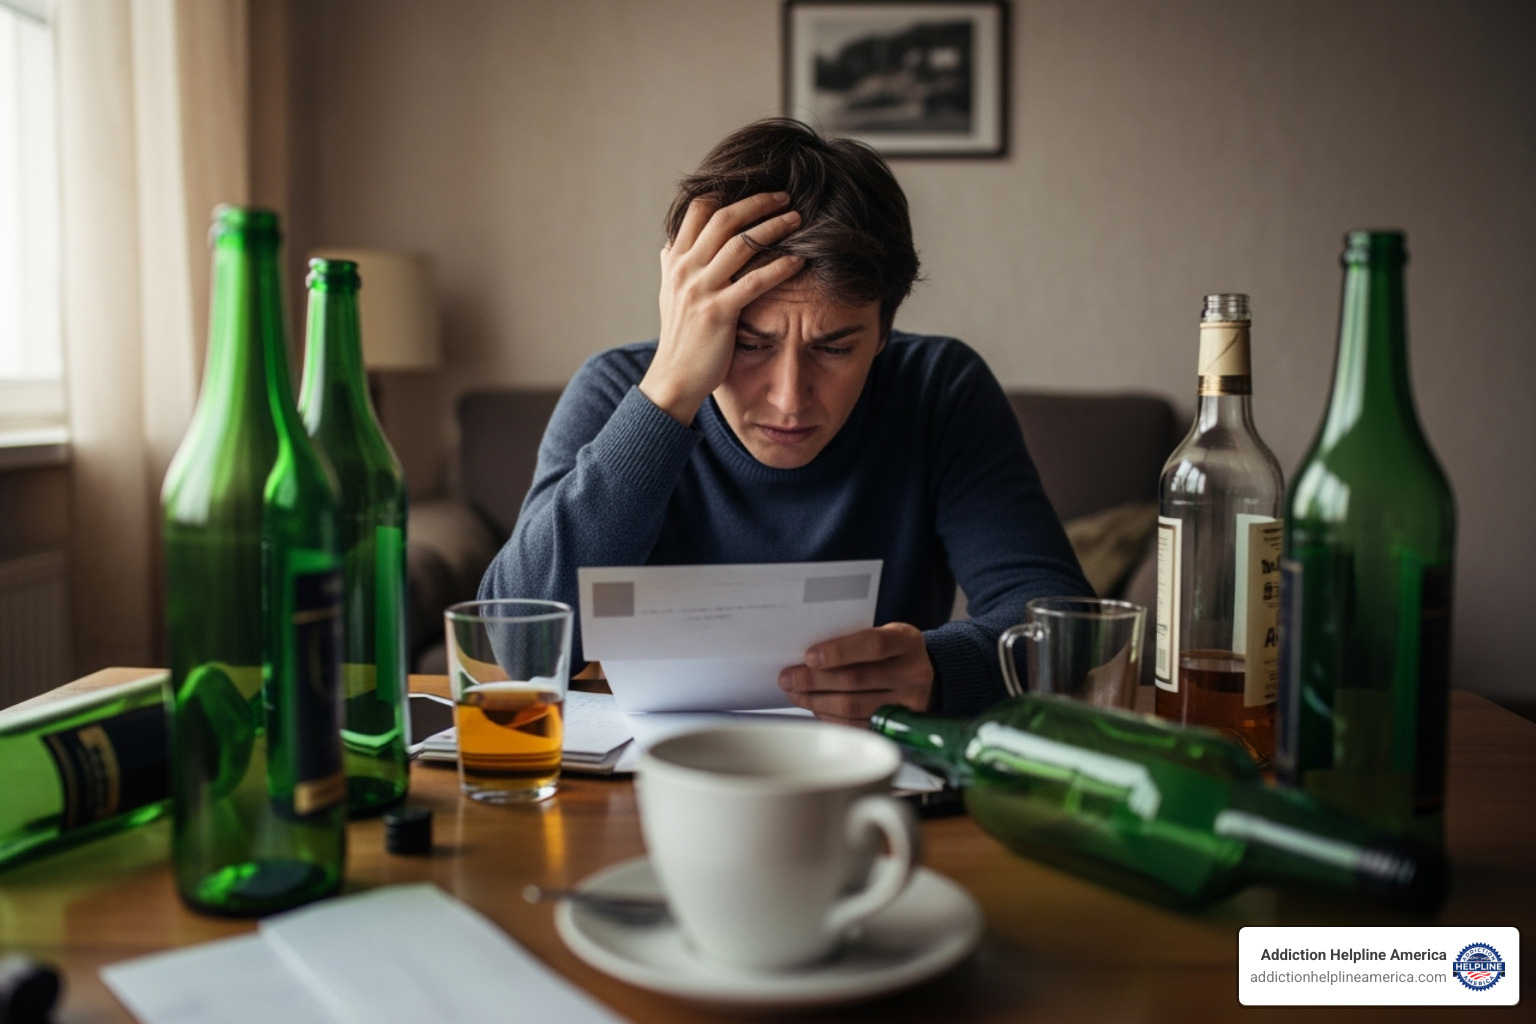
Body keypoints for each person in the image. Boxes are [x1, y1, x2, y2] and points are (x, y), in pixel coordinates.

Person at [479, 118, 1090, 722]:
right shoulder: (618, 389)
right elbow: (522, 645)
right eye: (749, 344)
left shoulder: (939, 389)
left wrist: (939, 668)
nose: (790, 401)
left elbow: (1065, 629)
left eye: (835, 348)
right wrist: (667, 394)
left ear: (885, 329)